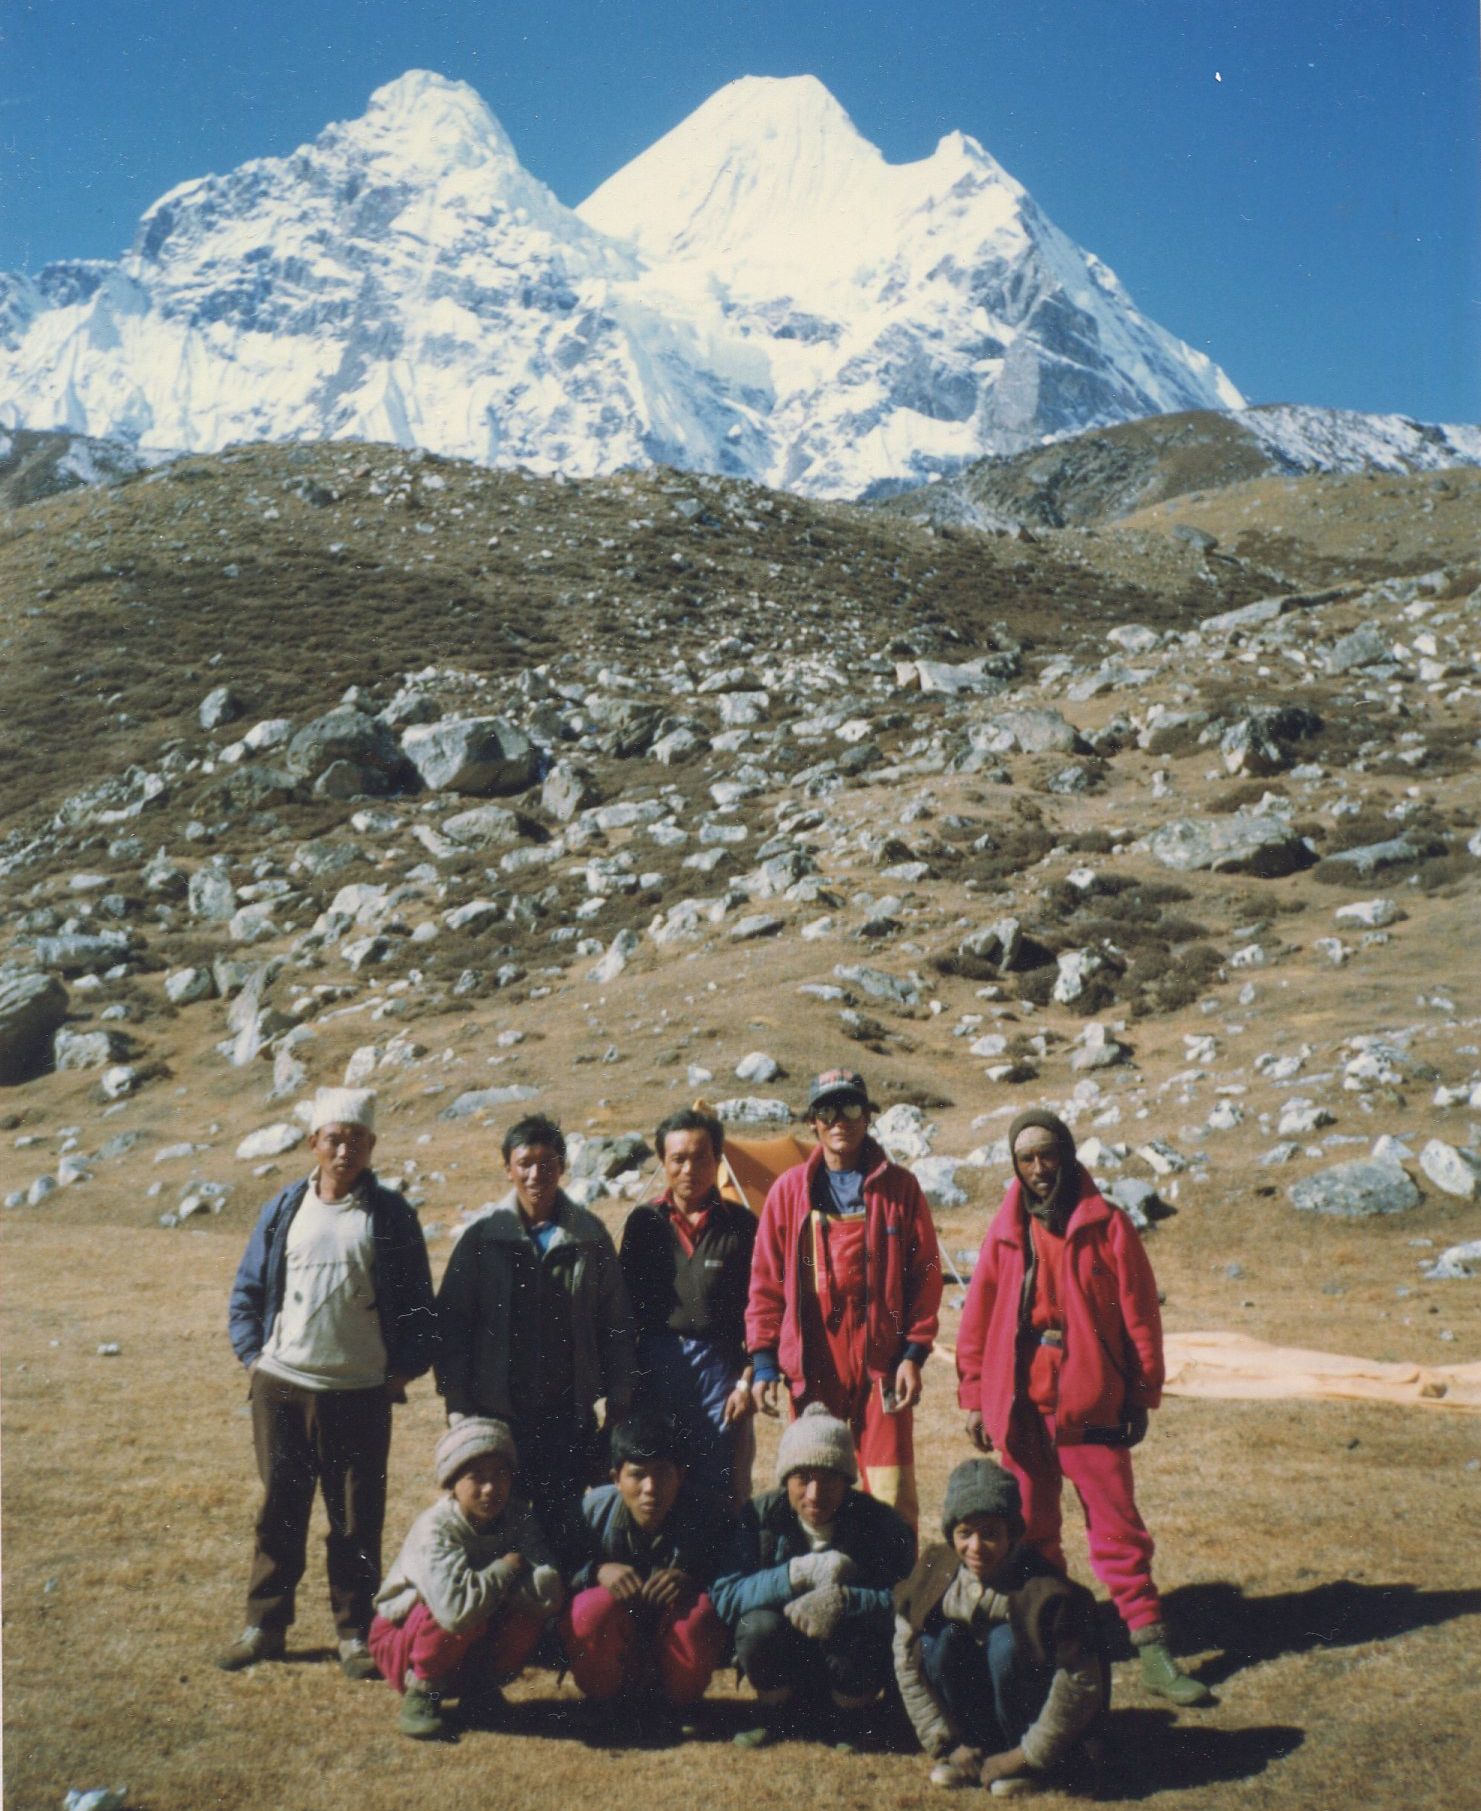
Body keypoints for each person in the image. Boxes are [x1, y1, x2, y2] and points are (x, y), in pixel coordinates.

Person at [956, 1108, 1211, 1706]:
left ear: (1067, 1154)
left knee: (1118, 1528)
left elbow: (1139, 1314)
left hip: (1092, 1400)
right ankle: (1057, 1641)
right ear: (1015, 1166)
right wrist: (974, 1394)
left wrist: (1144, 1390)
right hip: (1021, 1406)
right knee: (1033, 1531)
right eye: (1027, 1158)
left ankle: (1152, 1650)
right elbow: (979, 1318)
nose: (1040, 1168)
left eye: (1049, 1154)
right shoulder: (1004, 1230)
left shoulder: (1108, 1225)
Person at [220, 1087, 436, 1678]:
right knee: (280, 1510)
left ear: (371, 1147)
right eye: (334, 1139)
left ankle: (355, 1634)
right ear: (314, 1143)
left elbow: (421, 1309)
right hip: (283, 1386)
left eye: (357, 1140)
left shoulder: (391, 1216)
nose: (345, 1151)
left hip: (361, 1393)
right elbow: (247, 1292)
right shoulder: (284, 1208)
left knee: (356, 1517)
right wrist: (252, 1358)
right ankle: (264, 1626)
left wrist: (400, 1371)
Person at [746, 1068, 942, 1528]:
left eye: (851, 1107)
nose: (840, 1120)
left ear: (868, 1116)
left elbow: (926, 1278)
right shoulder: (788, 1193)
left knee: (891, 1491)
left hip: (884, 1363)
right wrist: (763, 1361)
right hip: (814, 1363)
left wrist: (914, 1353)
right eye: (827, 1110)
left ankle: (894, 1595)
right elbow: (764, 1285)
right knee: (815, 1486)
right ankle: (816, 1583)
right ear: (813, 1122)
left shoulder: (901, 1189)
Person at [435, 1113, 636, 1550]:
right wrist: (456, 1403)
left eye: (547, 1163)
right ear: (508, 1168)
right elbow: (452, 1326)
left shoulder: (589, 1237)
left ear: (562, 1167)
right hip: (496, 1414)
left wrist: (618, 1399)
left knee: (562, 1521)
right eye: (524, 1163)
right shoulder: (482, 1240)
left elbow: (615, 1322)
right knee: (495, 1524)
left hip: (568, 1412)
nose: (535, 1175)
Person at [894, 1460, 1109, 1796]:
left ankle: (1026, 1765)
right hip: (969, 1722)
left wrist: (1026, 1755)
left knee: (1005, 1644)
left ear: (1013, 1533)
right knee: (937, 1643)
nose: (976, 1548)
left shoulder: (1049, 1593)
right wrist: (947, 1744)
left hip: (1029, 1724)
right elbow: (905, 1659)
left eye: (990, 1533)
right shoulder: (933, 1572)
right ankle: (972, 1752)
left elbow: (1080, 1682)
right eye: (965, 1533)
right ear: (951, 1534)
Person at [711, 1403, 916, 1748]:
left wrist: (847, 1600)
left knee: (859, 1631)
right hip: (784, 1653)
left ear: (848, 1481)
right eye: (802, 1478)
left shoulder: (880, 1523)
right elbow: (726, 1595)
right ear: (785, 1479)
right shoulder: (758, 1518)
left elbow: (907, 1601)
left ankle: (852, 1717)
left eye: (829, 1479)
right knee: (757, 1625)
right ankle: (776, 1713)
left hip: (847, 1661)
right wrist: (794, 1575)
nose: (815, 1495)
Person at [369, 1418, 564, 1739]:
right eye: (477, 1477)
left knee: (522, 1615)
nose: (491, 1488)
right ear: (452, 1482)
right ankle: (422, 1697)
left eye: (500, 1474)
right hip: (403, 1641)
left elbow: (549, 1593)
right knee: (455, 1605)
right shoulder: (435, 1528)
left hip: (467, 1633)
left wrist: (495, 1586)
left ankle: (481, 1692)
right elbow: (455, 1610)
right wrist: (505, 1570)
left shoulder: (519, 1518)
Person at [559, 1410, 733, 1725]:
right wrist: (595, 1572)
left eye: (662, 1472)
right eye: (637, 1474)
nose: (650, 1488)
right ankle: (605, 1699)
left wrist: (692, 1579)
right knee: (591, 1609)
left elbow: (733, 1576)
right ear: (615, 1478)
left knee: (700, 1613)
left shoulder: (709, 1515)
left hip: (672, 1634)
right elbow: (557, 1568)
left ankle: (679, 1702)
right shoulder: (591, 1513)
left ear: (681, 1474)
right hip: (617, 1631)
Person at [619, 1107, 757, 1504]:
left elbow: (763, 1312)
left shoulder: (742, 1226)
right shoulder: (644, 1224)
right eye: (678, 1158)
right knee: (660, 1484)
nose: (689, 1168)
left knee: (723, 1486)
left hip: (722, 1374)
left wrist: (747, 1381)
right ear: (663, 1162)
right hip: (656, 1368)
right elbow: (623, 1311)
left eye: (701, 1157)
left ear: (717, 1159)